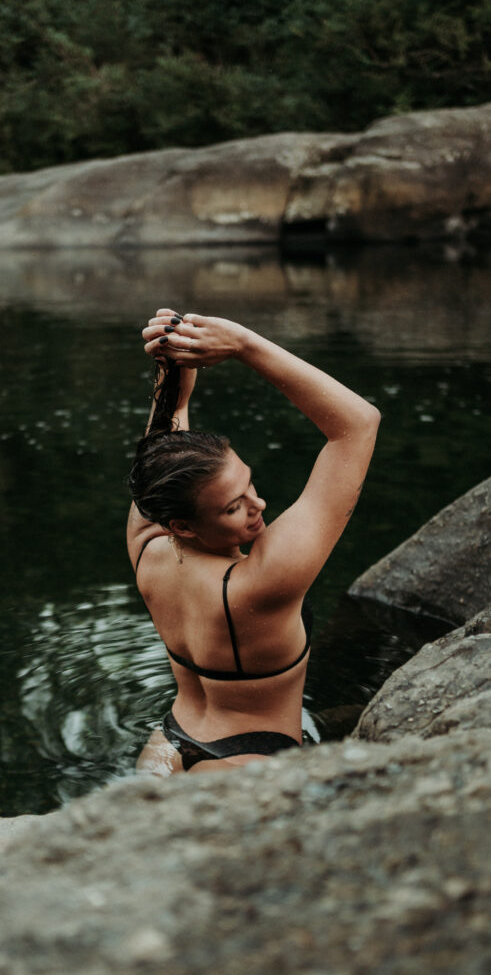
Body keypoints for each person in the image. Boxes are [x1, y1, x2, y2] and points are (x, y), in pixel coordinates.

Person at [127, 309, 380, 775]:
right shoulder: (262, 582)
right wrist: (242, 344)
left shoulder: (147, 543)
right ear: (182, 525)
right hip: (245, 763)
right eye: (233, 507)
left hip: (164, 750)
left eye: (250, 485)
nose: (259, 505)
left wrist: (175, 360)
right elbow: (358, 425)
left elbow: (166, 438)